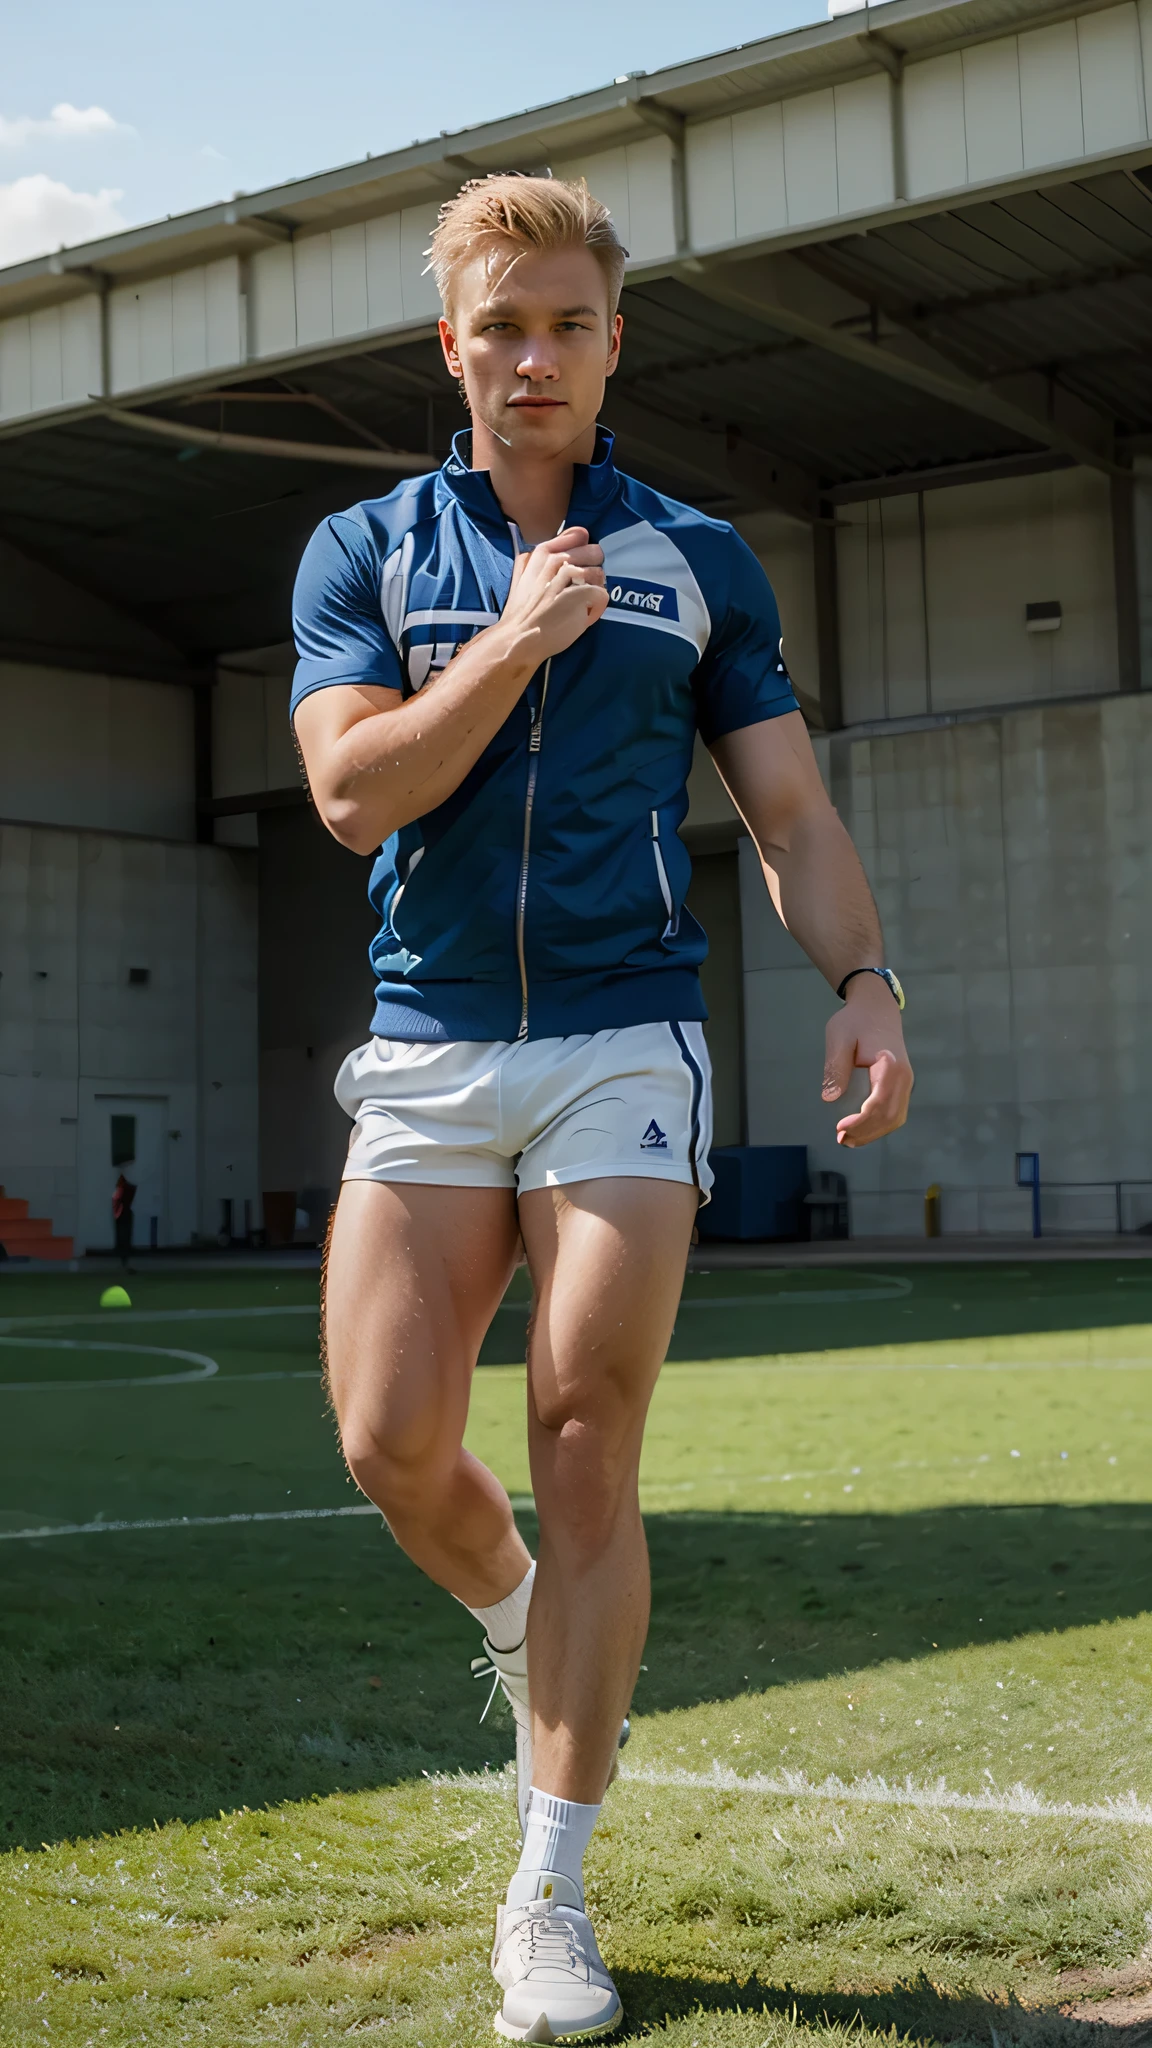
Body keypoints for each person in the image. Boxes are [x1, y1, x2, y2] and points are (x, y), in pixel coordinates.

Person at [292, 174, 913, 2041]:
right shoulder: (367, 553)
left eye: (568, 323)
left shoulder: (702, 556)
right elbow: (348, 799)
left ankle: (547, 1888)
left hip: (628, 1036)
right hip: (427, 1042)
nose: (535, 355)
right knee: (392, 1444)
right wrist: (511, 639)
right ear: (451, 345)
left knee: (582, 1424)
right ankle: (512, 1618)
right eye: (502, 326)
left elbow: (788, 818)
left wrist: (862, 977)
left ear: (612, 340)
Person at [112, 1170, 135, 1269]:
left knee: (124, 1239)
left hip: (122, 1216)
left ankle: (124, 1262)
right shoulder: (122, 1191)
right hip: (122, 1216)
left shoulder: (121, 1191)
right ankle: (124, 1262)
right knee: (124, 1239)